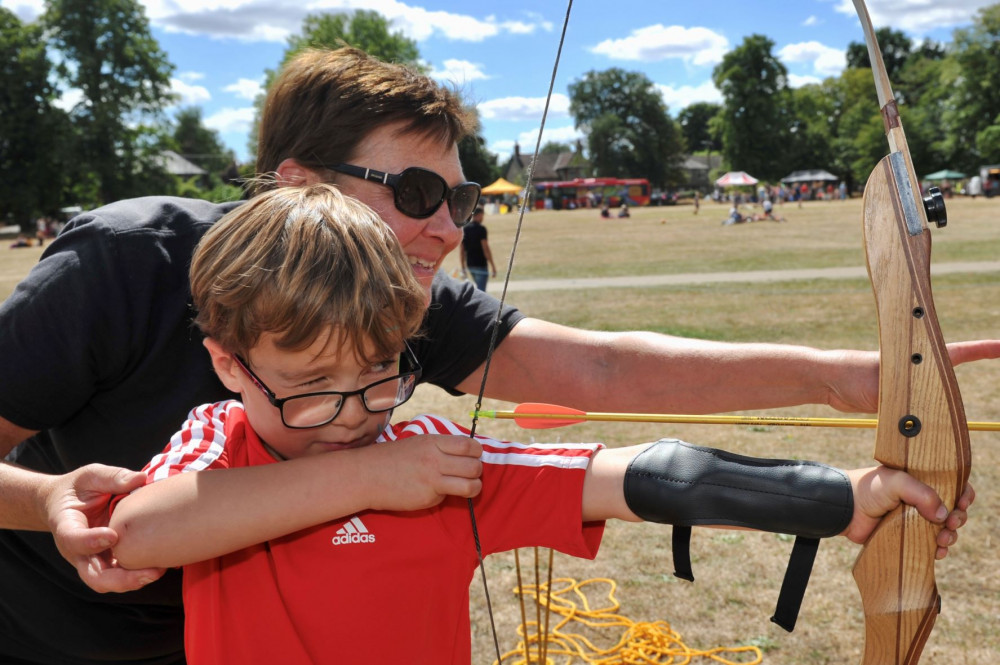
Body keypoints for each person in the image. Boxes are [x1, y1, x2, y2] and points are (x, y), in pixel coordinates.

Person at [0, 46, 988, 664]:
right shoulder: (127, 269)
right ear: (296, 181)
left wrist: (842, 426)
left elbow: (607, 400)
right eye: (418, 196)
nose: (444, 228)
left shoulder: (410, 321)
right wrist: (49, 500)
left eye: (460, 199)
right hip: (41, 624)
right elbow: (149, 523)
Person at [109, 183, 970, 664]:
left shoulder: (435, 466)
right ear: (229, 362)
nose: (352, 414)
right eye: (310, 386)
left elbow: (637, 474)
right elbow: (142, 531)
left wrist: (838, 497)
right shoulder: (216, 441)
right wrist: (363, 478)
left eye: (381, 374)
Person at [459, 204, 496, 291]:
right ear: (479, 215)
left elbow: (462, 250)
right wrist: (493, 266)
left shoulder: (465, 229)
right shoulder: (481, 229)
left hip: (470, 264)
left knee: (478, 290)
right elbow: (485, 248)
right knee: (481, 292)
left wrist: (463, 267)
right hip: (481, 264)